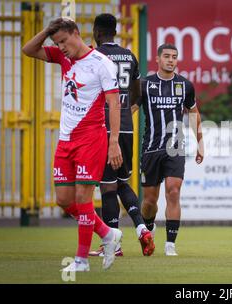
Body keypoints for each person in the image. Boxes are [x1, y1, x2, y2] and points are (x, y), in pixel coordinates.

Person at [22, 17, 123, 272]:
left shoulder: (102, 64)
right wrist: (48, 30)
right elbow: (28, 50)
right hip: (65, 140)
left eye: (64, 41)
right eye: (58, 43)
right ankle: (107, 234)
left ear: (76, 33)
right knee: (64, 200)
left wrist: (114, 143)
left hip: (91, 139)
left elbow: (114, 103)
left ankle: (81, 261)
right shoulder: (62, 57)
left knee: (83, 197)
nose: (62, 47)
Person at [88, 13, 153, 257]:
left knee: (107, 187)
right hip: (126, 125)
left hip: (104, 127)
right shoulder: (129, 55)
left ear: (96, 31)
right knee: (122, 181)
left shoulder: (94, 56)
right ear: (115, 31)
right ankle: (142, 229)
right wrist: (130, 108)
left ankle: (111, 245)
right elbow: (138, 90)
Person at [138, 43, 204, 256]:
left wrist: (200, 142)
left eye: (174, 56)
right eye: (166, 56)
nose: (171, 60)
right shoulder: (144, 85)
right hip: (150, 148)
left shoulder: (185, 85)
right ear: (157, 59)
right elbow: (128, 109)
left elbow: (194, 113)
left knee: (174, 192)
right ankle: (148, 228)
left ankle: (170, 244)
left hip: (175, 147)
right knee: (149, 201)